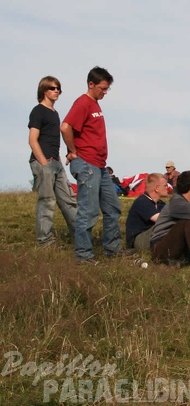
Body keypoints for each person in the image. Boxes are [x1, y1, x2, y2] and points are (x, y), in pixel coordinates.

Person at [61, 66, 122, 262]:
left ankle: (112, 250)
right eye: (102, 89)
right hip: (87, 164)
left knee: (113, 208)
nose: (104, 93)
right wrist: (73, 151)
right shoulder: (83, 103)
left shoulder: (95, 104)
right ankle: (84, 256)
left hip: (100, 165)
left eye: (107, 89)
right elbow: (65, 127)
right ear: (91, 84)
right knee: (88, 211)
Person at [28, 75, 77, 247]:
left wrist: (57, 158)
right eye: (52, 88)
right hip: (44, 163)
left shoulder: (54, 113)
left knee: (69, 200)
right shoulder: (38, 111)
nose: (56, 91)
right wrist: (44, 162)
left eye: (58, 88)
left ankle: (80, 236)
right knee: (47, 201)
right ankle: (45, 241)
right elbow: (33, 139)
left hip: (56, 163)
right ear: (43, 91)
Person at [125, 173, 168, 253]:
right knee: (168, 225)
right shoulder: (142, 201)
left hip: (152, 237)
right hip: (139, 241)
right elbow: (160, 219)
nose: (167, 187)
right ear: (157, 188)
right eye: (165, 185)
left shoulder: (160, 204)